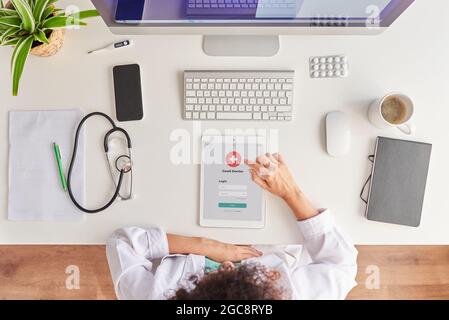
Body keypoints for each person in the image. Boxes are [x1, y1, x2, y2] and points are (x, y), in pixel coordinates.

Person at [106, 153, 358, 300]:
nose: (228, 265)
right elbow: (342, 266)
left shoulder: (153, 294)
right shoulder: (294, 294)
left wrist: (206, 246)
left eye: (219, 274)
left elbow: (122, 242)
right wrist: (290, 192)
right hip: (275, 230)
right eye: (236, 272)